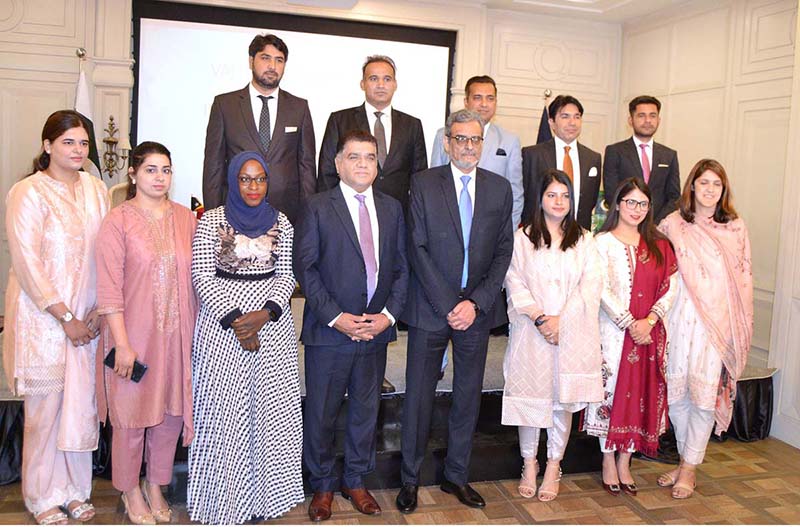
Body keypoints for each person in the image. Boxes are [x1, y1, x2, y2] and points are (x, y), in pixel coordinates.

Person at [396, 109, 513, 513]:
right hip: (432, 308)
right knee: (419, 398)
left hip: (477, 312)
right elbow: (417, 248)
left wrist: (475, 303)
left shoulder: (499, 189)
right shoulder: (424, 184)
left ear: (483, 144)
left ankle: (456, 476)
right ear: (447, 143)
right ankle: (409, 479)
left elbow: (503, 252)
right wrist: (449, 305)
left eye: (474, 140)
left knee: (467, 396)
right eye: (460, 139)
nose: (467, 147)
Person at [294, 129, 409, 522]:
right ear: (339, 163)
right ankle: (324, 485)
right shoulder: (317, 207)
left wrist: (387, 317)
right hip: (330, 332)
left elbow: (401, 270)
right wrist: (337, 318)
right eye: (354, 157)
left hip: (375, 330)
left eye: (370, 157)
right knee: (322, 413)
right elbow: (306, 270)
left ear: (378, 165)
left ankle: (356, 480)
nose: (363, 164)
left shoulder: (393, 208)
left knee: (365, 410)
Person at [3, 109, 109, 525]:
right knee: (44, 414)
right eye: (68, 142)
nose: (78, 150)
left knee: (79, 408)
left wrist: (99, 308)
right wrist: (64, 316)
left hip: (89, 319)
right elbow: (28, 263)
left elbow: (107, 254)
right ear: (47, 145)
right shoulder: (28, 192)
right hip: (44, 321)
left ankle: (74, 491)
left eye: (83, 143)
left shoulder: (97, 190)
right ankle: (41, 495)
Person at [188, 151, 303, 523]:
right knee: (227, 415)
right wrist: (239, 321)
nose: (253, 187)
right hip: (222, 329)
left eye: (260, 179)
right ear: (234, 181)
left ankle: (266, 501)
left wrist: (265, 314)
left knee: (270, 414)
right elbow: (202, 276)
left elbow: (287, 274)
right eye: (245, 179)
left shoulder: (282, 222)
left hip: (271, 326)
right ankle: (226, 501)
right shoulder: (212, 221)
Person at [95, 142, 197, 524]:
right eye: (151, 169)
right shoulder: (117, 221)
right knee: (131, 417)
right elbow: (108, 289)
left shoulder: (187, 219)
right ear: (133, 174)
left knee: (169, 415)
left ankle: (156, 484)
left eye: (166, 170)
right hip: (132, 338)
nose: (159, 177)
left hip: (176, 338)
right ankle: (129, 489)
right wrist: (121, 343)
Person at [316, 54, 425, 394]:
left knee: (381, 289)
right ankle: (345, 357)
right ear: (363, 83)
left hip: (389, 225)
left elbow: (418, 180)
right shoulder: (340, 119)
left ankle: (372, 371)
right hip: (345, 223)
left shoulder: (412, 124)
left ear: (395, 83)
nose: (380, 84)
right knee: (347, 286)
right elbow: (326, 172)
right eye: (373, 78)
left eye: (387, 78)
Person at [502, 169, 603, 502]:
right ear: (540, 199)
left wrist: (563, 321)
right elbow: (514, 280)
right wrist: (541, 318)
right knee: (531, 398)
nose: (558, 202)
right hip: (533, 332)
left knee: (562, 403)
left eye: (565, 195)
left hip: (570, 334)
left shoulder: (585, 239)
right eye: (551, 195)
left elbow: (590, 285)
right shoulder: (523, 237)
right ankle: (529, 463)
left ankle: (553, 465)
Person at [657, 159, 752, 499]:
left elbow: (743, 279)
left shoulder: (734, 227)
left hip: (716, 323)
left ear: (723, 190)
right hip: (679, 318)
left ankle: (691, 468)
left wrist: (733, 328)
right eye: (704, 182)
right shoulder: (672, 224)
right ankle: (684, 460)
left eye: (717, 184)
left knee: (703, 396)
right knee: (677, 394)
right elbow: (660, 270)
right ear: (692, 186)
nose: (710, 189)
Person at [585, 177, 678, 497]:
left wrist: (649, 321)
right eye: (630, 202)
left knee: (640, 394)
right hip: (613, 334)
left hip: (648, 336)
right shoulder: (601, 242)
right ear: (616, 204)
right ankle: (608, 458)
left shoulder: (660, 244)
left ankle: (626, 460)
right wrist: (628, 322)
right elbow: (600, 289)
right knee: (611, 392)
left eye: (643, 204)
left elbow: (671, 286)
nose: (636, 209)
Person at [202, 33, 315, 224]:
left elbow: (307, 167)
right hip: (237, 212)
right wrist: (214, 220)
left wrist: (309, 217)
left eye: (279, 60)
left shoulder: (299, 107)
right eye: (265, 58)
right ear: (250, 61)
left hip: (287, 214)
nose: (272, 66)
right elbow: (214, 165)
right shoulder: (225, 105)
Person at [431, 75, 523, 226]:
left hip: (491, 228)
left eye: (490, 98)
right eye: (478, 98)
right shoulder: (443, 134)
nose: (484, 104)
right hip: (448, 224)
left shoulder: (510, 141)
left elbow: (516, 194)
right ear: (466, 101)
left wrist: (508, 233)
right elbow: (434, 183)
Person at [521, 94, 601, 229]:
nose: (572, 122)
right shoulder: (532, 155)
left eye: (577, 117)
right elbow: (526, 196)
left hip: (578, 233)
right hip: (539, 232)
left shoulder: (593, 158)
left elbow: (591, 200)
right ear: (551, 122)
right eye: (565, 117)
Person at [603, 95, 680, 223]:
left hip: (658, 227)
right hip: (624, 224)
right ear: (630, 120)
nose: (648, 120)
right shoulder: (615, 151)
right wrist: (631, 219)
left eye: (652, 115)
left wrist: (655, 224)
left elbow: (674, 197)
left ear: (659, 120)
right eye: (641, 115)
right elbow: (611, 194)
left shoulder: (669, 155)